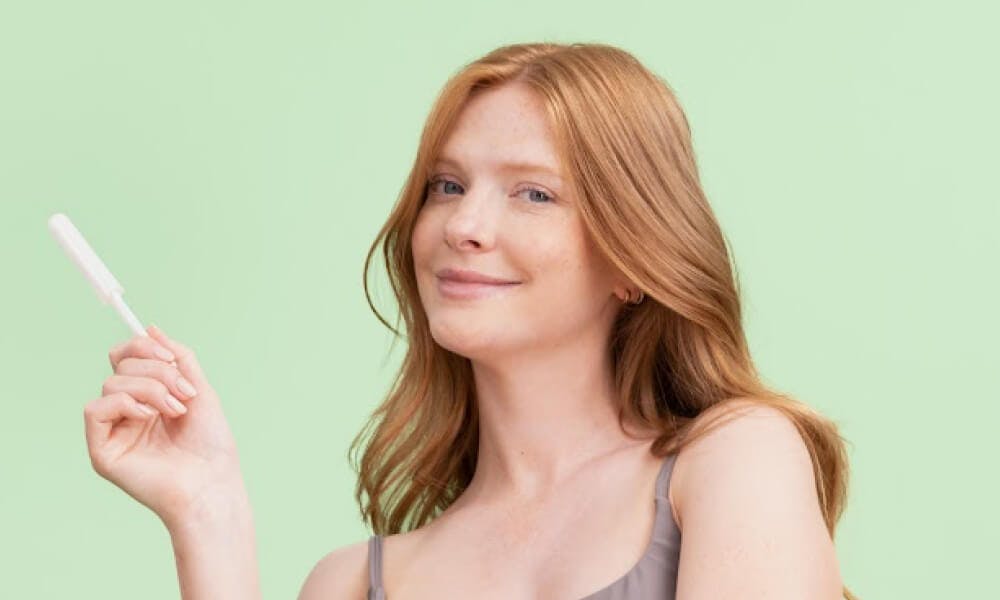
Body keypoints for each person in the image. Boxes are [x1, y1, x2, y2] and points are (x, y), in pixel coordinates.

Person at [84, 42, 856, 599]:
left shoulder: (735, 461)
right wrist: (209, 510)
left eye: (534, 193)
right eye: (448, 186)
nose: (463, 226)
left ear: (633, 259)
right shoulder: (352, 583)